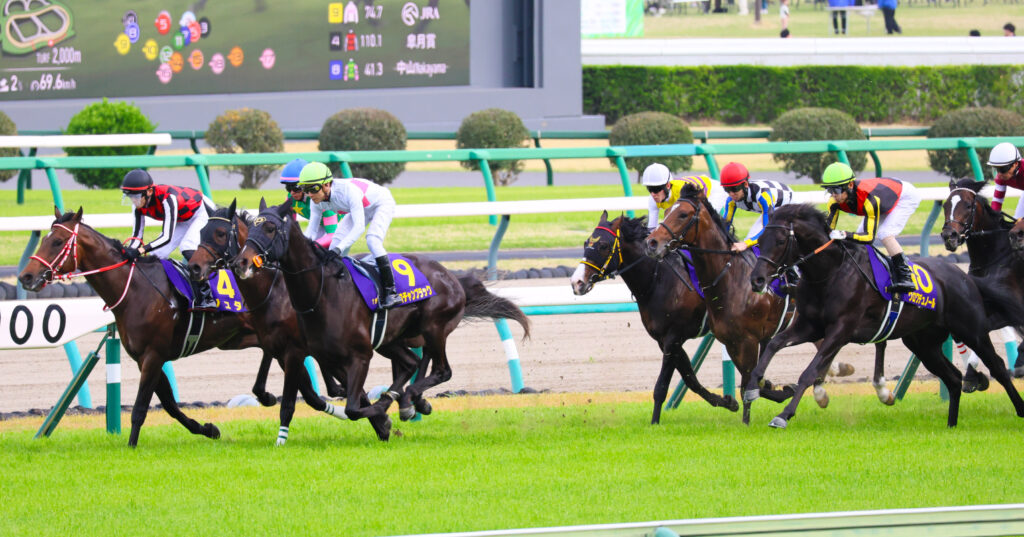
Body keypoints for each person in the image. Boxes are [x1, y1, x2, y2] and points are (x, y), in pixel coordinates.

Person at [297, 162, 402, 309]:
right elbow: (311, 232)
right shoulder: (316, 201)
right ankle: (338, 287)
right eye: (305, 189)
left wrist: (338, 250)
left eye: (313, 188)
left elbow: (358, 227)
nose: (309, 194)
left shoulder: (348, 191)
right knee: (334, 244)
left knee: (372, 240)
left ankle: (392, 292)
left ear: (327, 184)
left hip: (381, 204)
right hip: (360, 208)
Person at [120, 168, 217, 307]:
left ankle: (207, 294)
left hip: (200, 211)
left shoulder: (167, 198)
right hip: (182, 218)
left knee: (187, 246)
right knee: (156, 254)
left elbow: (166, 236)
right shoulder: (137, 206)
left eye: (136, 196)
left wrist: (141, 250)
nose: (134, 201)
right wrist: (128, 252)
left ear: (149, 192)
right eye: (131, 197)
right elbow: (136, 236)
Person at [820, 162, 921, 293]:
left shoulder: (869, 199)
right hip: (885, 196)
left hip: (904, 196)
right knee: (857, 236)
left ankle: (906, 277)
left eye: (837, 190)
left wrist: (845, 234)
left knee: (885, 234)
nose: (833, 195)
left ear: (850, 185)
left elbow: (868, 238)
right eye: (830, 190)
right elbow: (827, 231)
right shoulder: (834, 202)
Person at [719, 162, 794, 252]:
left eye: (734, 189)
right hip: (772, 209)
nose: (731, 194)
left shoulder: (763, 196)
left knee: (765, 241)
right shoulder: (730, 201)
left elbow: (767, 229)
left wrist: (745, 243)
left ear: (745, 184)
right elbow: (725, 226)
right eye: (727, 189)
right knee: (750, 242)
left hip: (790, 205)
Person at [642, 163, 728, 232]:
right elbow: (651, 228)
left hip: (714, 191)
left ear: (668, 185)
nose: (653, 194)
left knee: (703, 223)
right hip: (697, 188)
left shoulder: (681, 193)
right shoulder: (652, 199)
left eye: (656, 189)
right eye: (650, 189)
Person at [279, 158, 339, 248]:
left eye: (296, 188)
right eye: (288, 187)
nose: (292, 192)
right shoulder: (290, 198)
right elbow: (291, 227)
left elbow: (333, 235)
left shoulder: (322, 200)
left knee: (332, 253)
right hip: (321, 224)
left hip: (342, 223)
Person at [986, 142, 1024, 220]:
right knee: (1016, 223)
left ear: (1015, 164)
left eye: (1002, 169)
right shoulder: (1001, 179)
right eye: (997, 169)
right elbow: (997, 202)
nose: (999, 174)